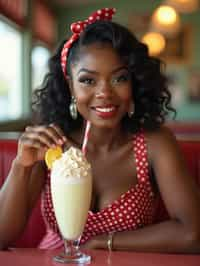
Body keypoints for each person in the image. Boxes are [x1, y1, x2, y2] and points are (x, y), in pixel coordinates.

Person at [0, 7, 200, 253]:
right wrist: (21, 166)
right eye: (87, 80)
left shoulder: (154, 144)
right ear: (70, 88)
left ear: (134, 83)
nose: (104, 93)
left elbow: (193, 234)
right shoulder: (51, 145)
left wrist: (103, 243)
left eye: (119, 78)